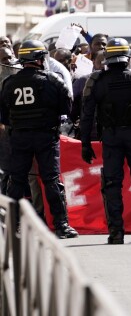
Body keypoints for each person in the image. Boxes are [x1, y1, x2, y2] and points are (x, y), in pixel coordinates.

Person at [80, 38, 131, 245]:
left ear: (107, 57)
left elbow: (87, 115)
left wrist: (86, 144)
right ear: (128, 57)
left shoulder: (96, 81)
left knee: (112, 184)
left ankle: (116, 232)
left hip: (110, 137)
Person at [0, 40, 78, 239]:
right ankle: (61, 225)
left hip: (19, 137)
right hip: (46, 137)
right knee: (52, 180)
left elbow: (4, 115)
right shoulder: (53, 80)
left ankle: (12, 225)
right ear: (40, 59)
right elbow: (66, 109)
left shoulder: (9, 83)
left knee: (16, 181)